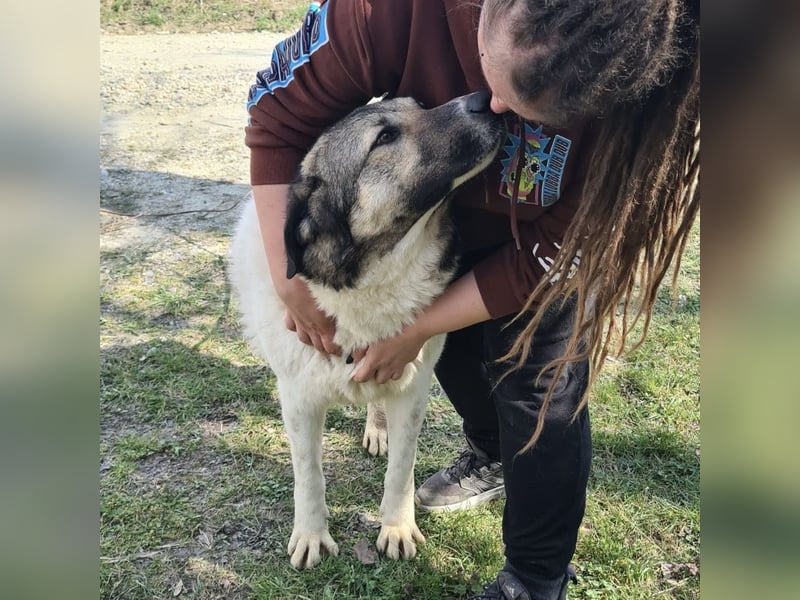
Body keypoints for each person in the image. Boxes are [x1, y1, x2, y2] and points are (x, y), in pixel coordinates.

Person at [245, 0, 700, 598]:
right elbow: (276, 117)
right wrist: (288, 278)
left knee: (540, 387)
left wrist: (412, 329)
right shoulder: (382, 11)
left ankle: (535, 578)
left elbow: (560, 252)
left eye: (541, 112)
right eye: (498, 75)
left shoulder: (630, 94)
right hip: (434, 242)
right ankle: (489, 452)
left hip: (534, 246)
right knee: (458, 357)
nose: (495, 108)